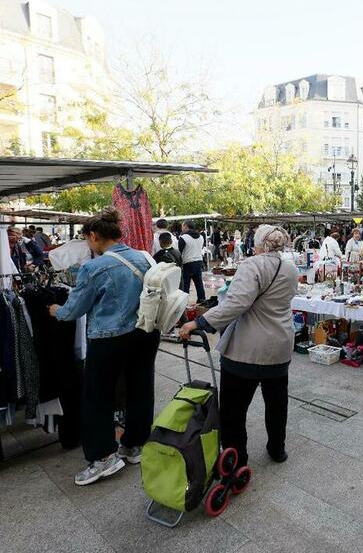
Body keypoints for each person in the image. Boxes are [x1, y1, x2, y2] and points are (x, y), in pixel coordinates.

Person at [48, 208, 159, 486]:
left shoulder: (94, 268)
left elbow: (75, 309)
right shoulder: (143, 256)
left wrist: (55, 310)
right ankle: (134, 445)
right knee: (140, 387)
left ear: (94, 236)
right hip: (145, 334)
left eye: (88, 240)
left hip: (109, 339)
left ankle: (103, 457)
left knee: (97, 397)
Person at [179, 225, 299, 465]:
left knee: (234, 411)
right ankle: (277, 448)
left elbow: (235, 304)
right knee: (277, 403)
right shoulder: (290, 268)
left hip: (247, 349)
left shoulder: (252, 265)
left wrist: (199, 322)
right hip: (279, 345)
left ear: (259, 243)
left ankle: (236, 459)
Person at [179, 220, 206, 303]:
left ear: (186, 227)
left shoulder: (183, 238)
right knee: (199, 283)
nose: (182, 228)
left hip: (188, 263)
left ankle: (184, 303)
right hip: (199, 262)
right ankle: (202, 301)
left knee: (186, 285)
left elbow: (179, 251)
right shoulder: (201, 237)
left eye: (183, 226)